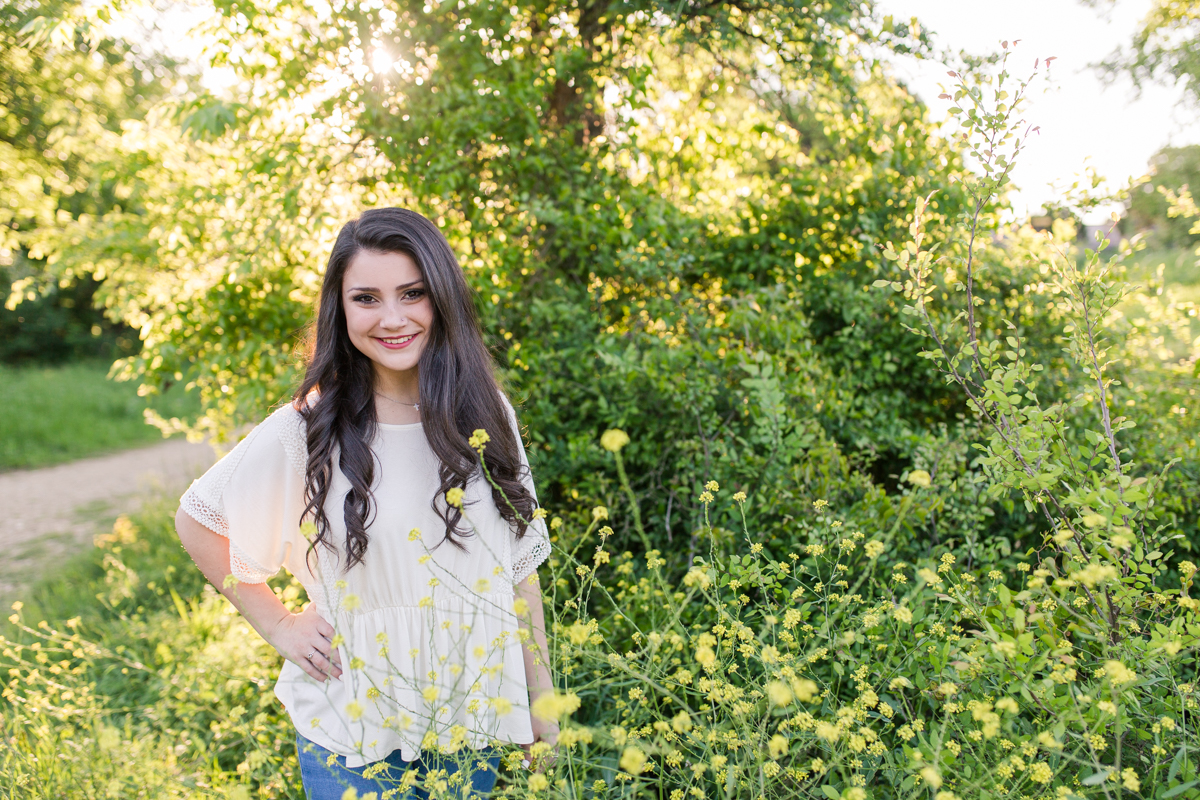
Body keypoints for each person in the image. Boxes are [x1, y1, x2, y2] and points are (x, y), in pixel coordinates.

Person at [174, 207, 557, 799]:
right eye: (367, 298)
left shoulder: (485, 414)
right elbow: (199, 520)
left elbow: (519, 573)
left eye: (413, 293)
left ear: (443, 299)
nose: (393, 318)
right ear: (341, 309)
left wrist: (542, 707)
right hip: (350, 735)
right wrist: (278, 624)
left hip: (469, 727)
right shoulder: (306, 430)